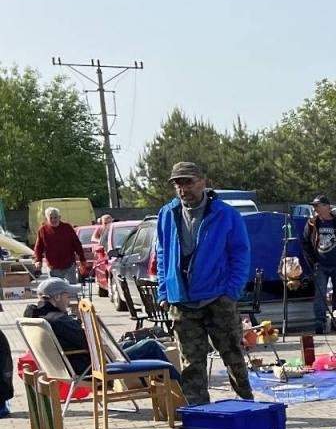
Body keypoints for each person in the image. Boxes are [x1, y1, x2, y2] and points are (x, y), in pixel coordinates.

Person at [155, 161, 255, 408]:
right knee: (191, 363)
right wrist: (164, 290)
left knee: (233, 357)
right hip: (182, 300)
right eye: (178, 183)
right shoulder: (168, 213)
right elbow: (162, 253)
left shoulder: (225, 214)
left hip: (217, 298)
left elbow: (240, 254)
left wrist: (231, 292)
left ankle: (250, 406)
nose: (182, 188)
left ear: (203, 182)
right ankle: (199, 413)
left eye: (188, 181)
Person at [25, 277, 174, 374]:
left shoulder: (39, 318)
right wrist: (87, 324)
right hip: (91, 366)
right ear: (56, 297)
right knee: (150, 344)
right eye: (67, 296)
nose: (69, 300)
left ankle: (170, 380)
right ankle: (182, 389)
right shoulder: (59, 320)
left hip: (76, 363)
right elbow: (93, 343)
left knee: (130, 342)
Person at [299, 195, 336, 335]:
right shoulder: (312, 223)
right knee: (320, 295)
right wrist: (314, 262)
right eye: (314, 206)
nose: (315, 209)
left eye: (318, 205)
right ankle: (319, 321)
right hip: (320, 266)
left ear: (326, 206)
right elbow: (305, 243)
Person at [33, 207, 85, 282]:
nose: (53, 220)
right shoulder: (43, 230)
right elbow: (38, 247)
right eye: (51, 218)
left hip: (69, 264)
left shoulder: (67, 227)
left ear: (59, 217)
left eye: (55, 217)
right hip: (53, 265)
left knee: (71, 288)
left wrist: (82, 258)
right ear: (47, 218)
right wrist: (38, 260)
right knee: (56, 289)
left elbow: (76, 244)